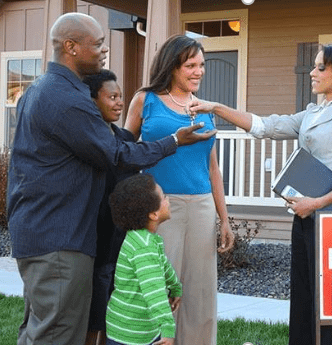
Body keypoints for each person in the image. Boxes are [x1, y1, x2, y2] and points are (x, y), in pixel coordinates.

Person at [6, 13, 215, 345]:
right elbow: (115, 155)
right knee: (57, 333)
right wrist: (173, 141)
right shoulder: (66, 100)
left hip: (42, 230)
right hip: (58, 236)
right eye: (98, 43)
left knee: (42, 328)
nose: (104, 50)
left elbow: (114, 144)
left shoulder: (42, 90)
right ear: (71, 47)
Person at [189, 38, 332, 345]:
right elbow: (267, 127)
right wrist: (215, 107)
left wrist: (317, 202)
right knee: (303, 299)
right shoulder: (313, 112)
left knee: (330, 307)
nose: (312, 73)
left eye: (320, 67)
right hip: (304, 219)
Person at [123, 34, 234, 345]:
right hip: (159, 207)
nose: (198, 71)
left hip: (201, 206)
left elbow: (212, 169)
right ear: (172, 66)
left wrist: (224, 219)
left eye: (201, 65)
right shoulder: (145, 100)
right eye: (190, 65)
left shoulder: (205, 108)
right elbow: (123, 152)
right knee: (160, 283)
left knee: (200, 288)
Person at [82, 69, 136, 345]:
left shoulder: (125, 139)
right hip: (95, 242)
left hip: (121, 242)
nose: (119, 102)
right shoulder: (84, 140)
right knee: (94, 319)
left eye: (121, 97)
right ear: (93, 101)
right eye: (112, 97)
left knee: (114, 319)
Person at [106, 174, 181, 345]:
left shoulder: (145, 239)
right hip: (130, 334)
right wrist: (168, 328)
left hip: (139, 327)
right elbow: (153, 290)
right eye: (164, 197)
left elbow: (164, 268)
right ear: (154, 214)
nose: (168, 200)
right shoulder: (144, 247)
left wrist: (175, 287)